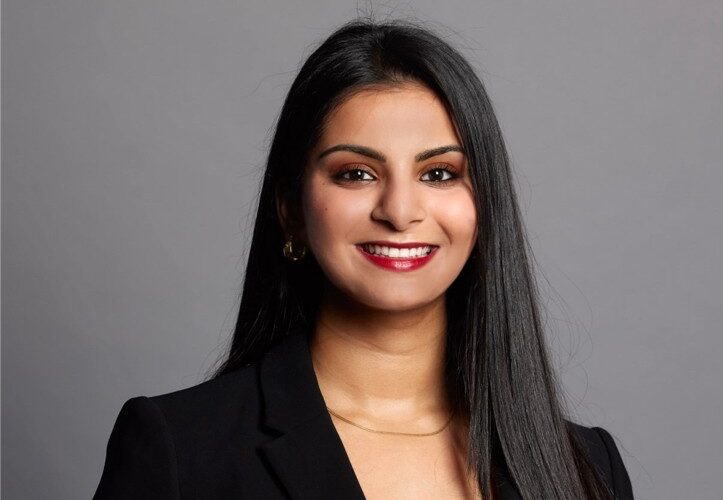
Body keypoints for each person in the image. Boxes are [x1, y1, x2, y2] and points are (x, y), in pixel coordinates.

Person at [93, 18, 633, 500]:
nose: (400, 211)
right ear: (291, 210)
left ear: (486, 204)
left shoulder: (586, 467)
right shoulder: (181, 451)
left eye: (439, 174)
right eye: (356, 173)